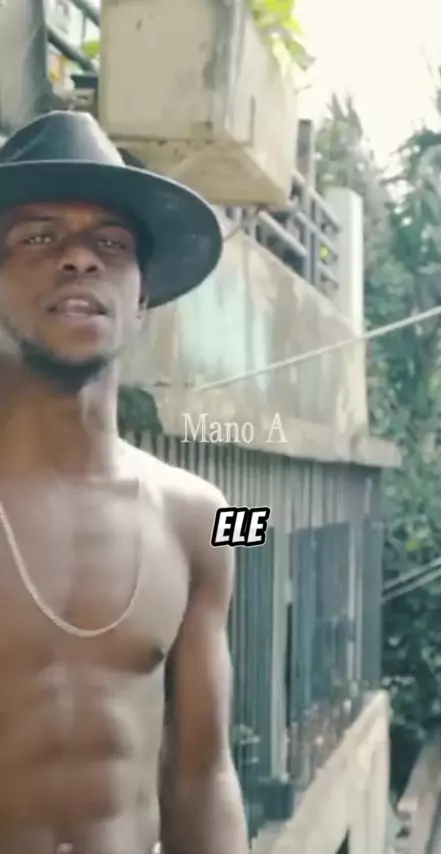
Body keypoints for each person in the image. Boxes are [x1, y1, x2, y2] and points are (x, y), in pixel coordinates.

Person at [0, 111, 249, 854]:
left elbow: (204, 775)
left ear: (142, 299)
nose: (79, 258)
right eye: (37, 237)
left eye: (111, 243)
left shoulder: (204, 520)